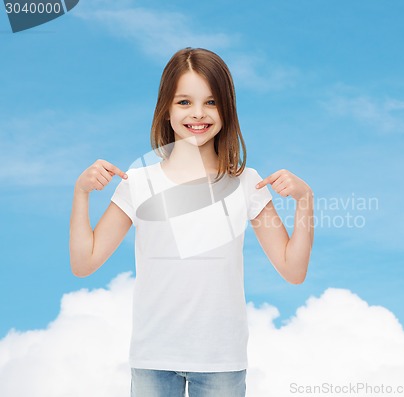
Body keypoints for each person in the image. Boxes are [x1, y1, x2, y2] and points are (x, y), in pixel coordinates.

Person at [69, 47, 314, 397]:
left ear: (226, 109)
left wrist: (306, 200)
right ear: (166, 109)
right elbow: (84, 262)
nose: (198, 114)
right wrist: (81, 194)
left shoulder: (248, 183)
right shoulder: (138, 182)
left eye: (211, 102)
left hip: (221, 361)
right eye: (184, 102)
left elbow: (293, 270)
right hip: (153, 356)